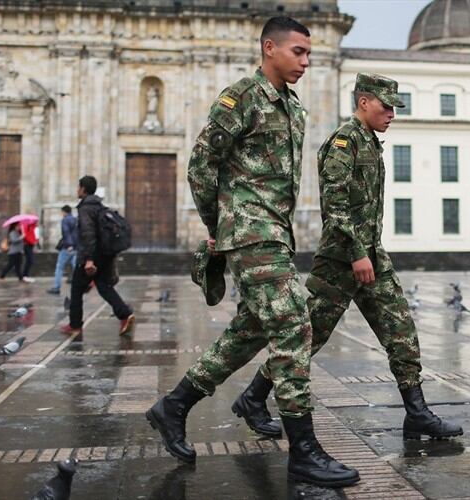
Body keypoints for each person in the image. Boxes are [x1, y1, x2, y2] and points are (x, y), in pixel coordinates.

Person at [144, 17, 359, 488]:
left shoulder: (292, 108)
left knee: (249, 331)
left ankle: (173, 405)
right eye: (298, 52)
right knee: (293, 324)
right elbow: (202, 163)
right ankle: (303, 450)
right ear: (270, 48)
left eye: (309, 53)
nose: (306, 61)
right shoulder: (242, 96)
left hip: (274, 234)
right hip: (249, 232)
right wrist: (217, 225)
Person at [231, 73, 463, 446]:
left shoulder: (371, 142)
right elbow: (335, 207)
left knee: (400, 331)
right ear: (364, 102)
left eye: (394, 108)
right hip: (341, 261)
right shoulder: (343, 143)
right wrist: (356, 253)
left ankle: (417, 414)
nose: (392, 114)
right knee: (309, 337)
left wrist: (368, 253)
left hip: (372, 255)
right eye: (386, 107)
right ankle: (253, 397)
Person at [59, 176, 135, 336]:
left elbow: (88, 234)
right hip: (104, 254)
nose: (77, 190)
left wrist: (88, 259)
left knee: (76, 288)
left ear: (83, 189)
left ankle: (75, 325)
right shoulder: (99, 206)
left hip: (91, 256)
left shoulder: (85, 208)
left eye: (78, 187)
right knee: (104, 286)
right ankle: (125, 314)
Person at [48, 205, 78, 295]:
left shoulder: (65, 220)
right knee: (75, 267)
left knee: (59, 267)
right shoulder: (75, 219)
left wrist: (69, 245)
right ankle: (79, 285)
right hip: (76, 247)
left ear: (64, 212)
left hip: (67, 248)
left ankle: (56, 287)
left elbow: (66, 233)